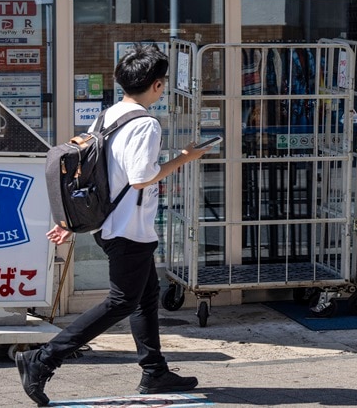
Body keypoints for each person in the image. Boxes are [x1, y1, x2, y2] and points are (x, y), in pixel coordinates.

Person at [17, 44, 214, 406]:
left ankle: (155, 372)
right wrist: (186, 158)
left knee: (145, 297)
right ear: (157, 85)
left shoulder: (107, 116)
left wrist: (70, 222)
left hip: (111, 224)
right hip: (128, 228)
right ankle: (42, 360)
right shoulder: (146, 123)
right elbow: (141, 178)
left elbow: (93, 172)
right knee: (122, 301)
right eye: (163, 82)